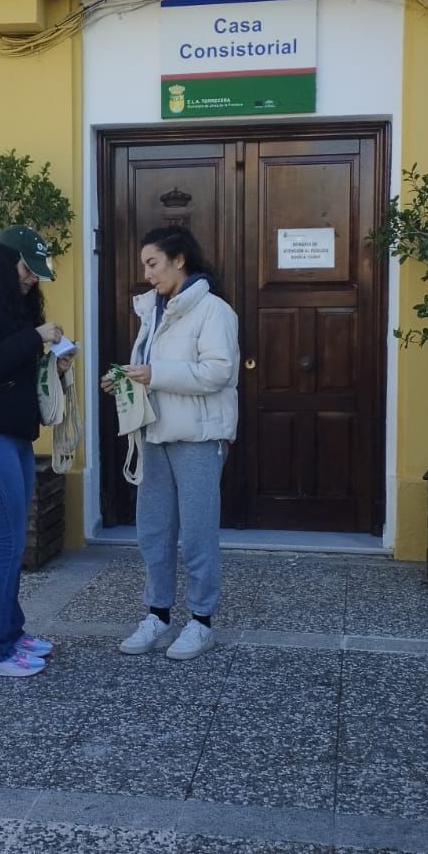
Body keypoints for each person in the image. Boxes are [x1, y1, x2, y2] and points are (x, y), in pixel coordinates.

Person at [102, 226, 239, 661]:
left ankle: (201, 621)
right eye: (145, 265)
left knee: (197, 533)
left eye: (153, 263)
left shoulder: (214, 311)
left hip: (198, 438)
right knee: (154, 531)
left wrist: (154, 374)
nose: (147, 273)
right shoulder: (153, 311)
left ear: (179, 260)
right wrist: (127, 379)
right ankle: (157, 615)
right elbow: (152, 370)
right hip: (154, 434)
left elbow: (218, 372)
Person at [0, 225, 75, 677]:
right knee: (7, 544)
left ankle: (12, 633)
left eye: (38, 272)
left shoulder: (12, 303)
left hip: (14, 434)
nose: (33, 278)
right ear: (7, 261)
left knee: (14, 540)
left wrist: (53, 366)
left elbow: (15, 370)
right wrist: (35, 336)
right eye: (28, 269)